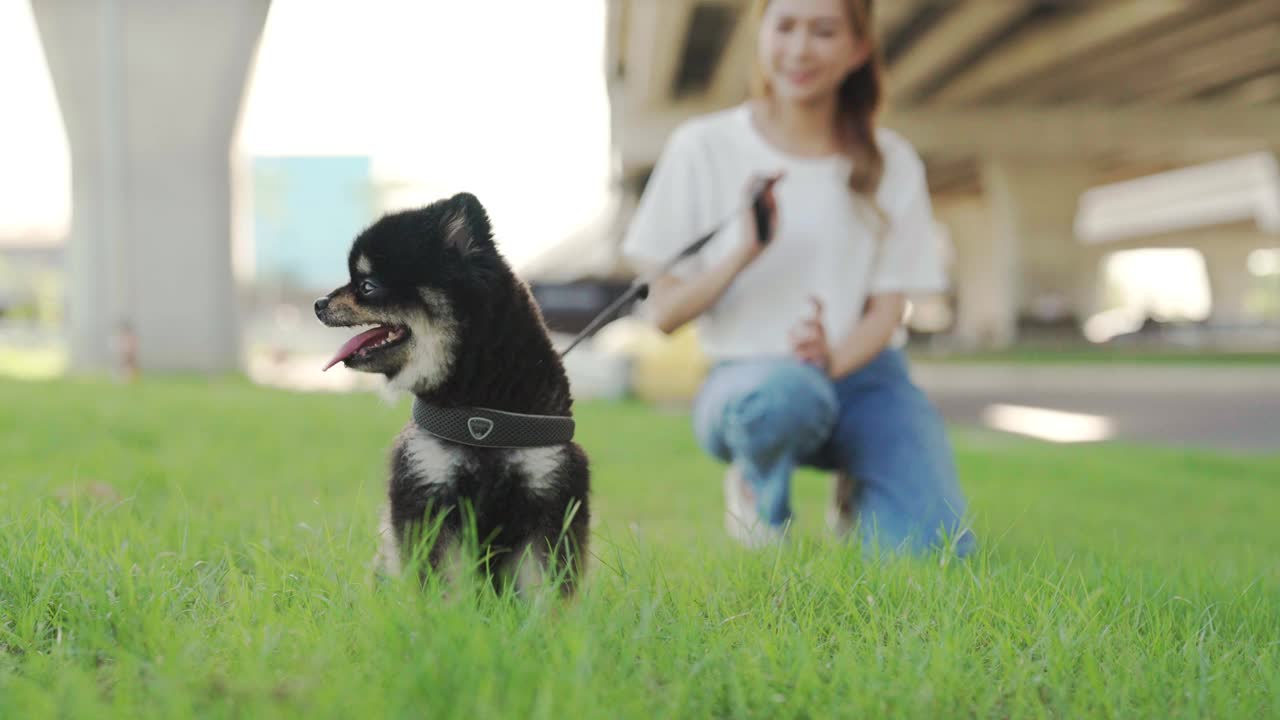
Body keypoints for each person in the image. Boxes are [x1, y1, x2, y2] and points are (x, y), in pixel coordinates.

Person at [620, 0, 975, 557]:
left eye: (824, 31)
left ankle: (855, 492)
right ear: (761, 33)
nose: (799, 48)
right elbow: (664, 315)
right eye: (784, 26)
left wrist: (829, 359)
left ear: (858, 49)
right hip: (750, 383)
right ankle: (758, 492)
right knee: (785, 393)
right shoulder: (703, 146)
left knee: (935, 554)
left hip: (865, 377)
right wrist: (743, 252)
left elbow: (887, 311)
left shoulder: (893, 160)